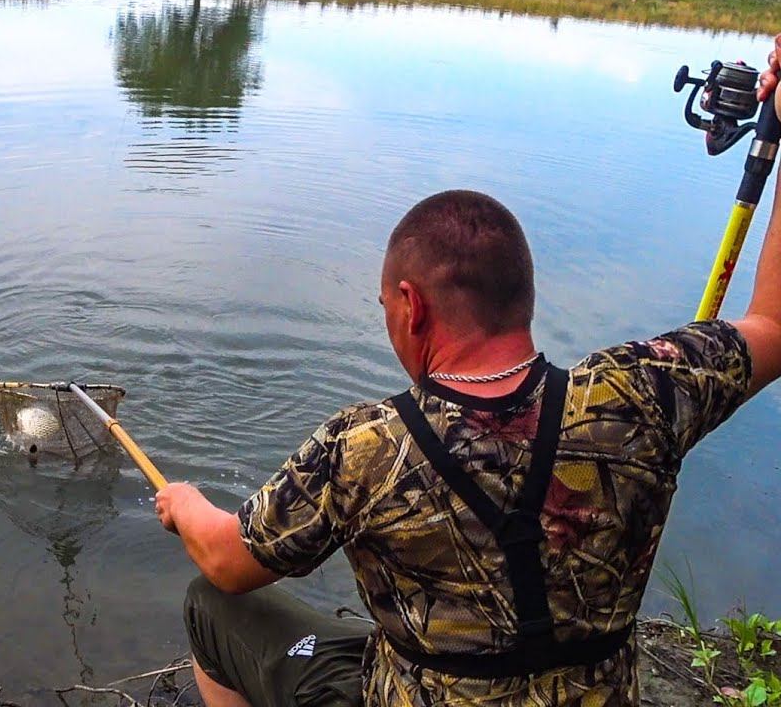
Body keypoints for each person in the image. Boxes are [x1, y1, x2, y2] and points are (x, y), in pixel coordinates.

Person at [152, 36, 781, 707]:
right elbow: (773, 326)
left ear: (410, 306)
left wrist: (184, 503)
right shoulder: (640, 395)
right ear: (524, 295)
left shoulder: (365, 448)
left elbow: (226, 560)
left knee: (208, 607)